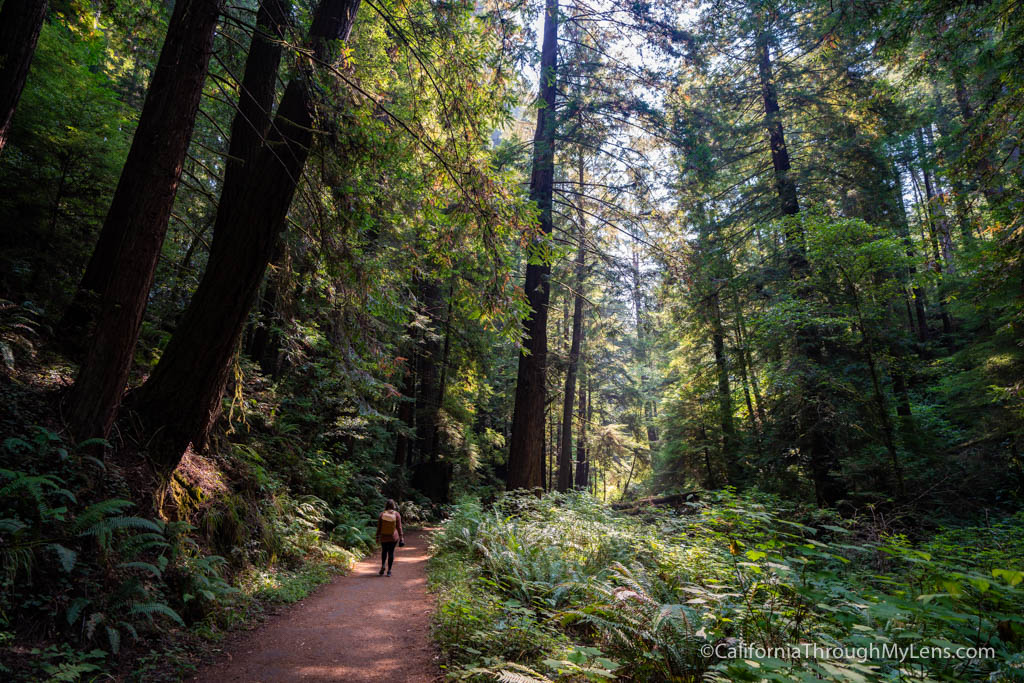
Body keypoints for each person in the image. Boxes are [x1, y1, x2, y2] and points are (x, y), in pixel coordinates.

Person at [375, 499, 404, 576]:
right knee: (391, 552)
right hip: (393, 537)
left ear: (386, 505)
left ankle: (383, 565)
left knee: (384, 551)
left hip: (384, 537)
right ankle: (389, 571)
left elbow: (379, 527)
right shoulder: (397, 514)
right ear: (393, 505)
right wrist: (401, 537)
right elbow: (399, 527)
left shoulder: (382, 514)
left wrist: (377, 537)